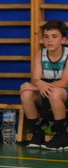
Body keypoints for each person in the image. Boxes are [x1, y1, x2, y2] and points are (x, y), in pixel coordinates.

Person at [20, 19, 68, 150]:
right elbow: (35, 79)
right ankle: (37, 134)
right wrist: (38, 84)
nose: (49, 40)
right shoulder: (40, 54)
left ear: (63, 40)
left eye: (54, 36)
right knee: (26, 93)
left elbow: (64, 82)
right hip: (49, 93)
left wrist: (38, 85)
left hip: (63, 93)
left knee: (54, 92)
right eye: (46, 37)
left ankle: (62, 136)